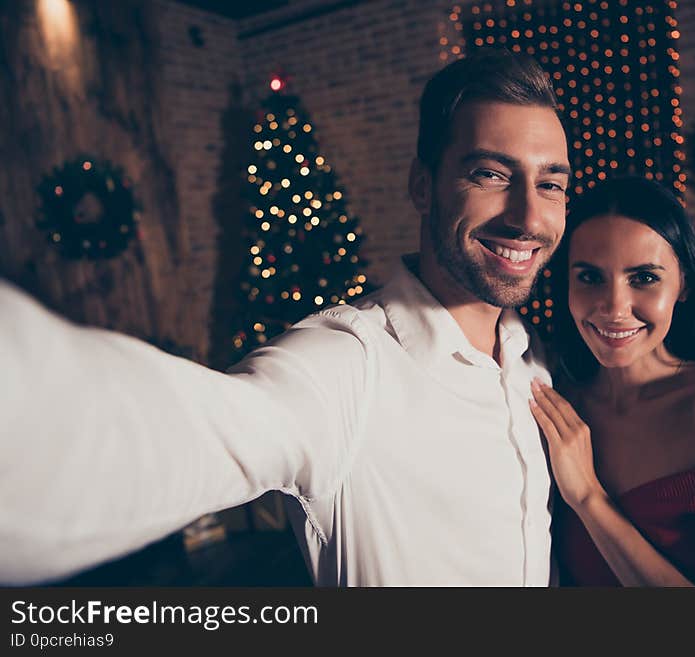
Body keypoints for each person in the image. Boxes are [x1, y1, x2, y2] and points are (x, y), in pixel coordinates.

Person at [0, 49, 572, 586]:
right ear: (423, 186)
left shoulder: (533, 358)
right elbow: (166, 433)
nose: (528, 216)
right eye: (491, 175)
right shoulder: (347, 364)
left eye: (550, 185)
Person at [528, 177, 695, 586]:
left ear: (683, 284)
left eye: (644, 278)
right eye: (590, 277)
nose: (615, 307)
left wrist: (588, 498)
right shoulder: (553, 398)